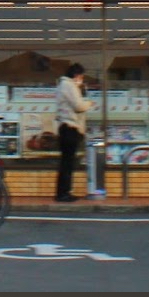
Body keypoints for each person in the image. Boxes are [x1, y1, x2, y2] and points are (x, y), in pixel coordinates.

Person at [54, 62, 93, 202]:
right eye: (81, 75)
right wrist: (89, 103)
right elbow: (78, 106)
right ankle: (63, 193)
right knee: (67, 163)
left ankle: (64, 192)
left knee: (67, 162)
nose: (81, 78)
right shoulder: (68, 85)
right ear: (76, 75)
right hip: (69, 128)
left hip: (67, 128)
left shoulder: (66, 85)